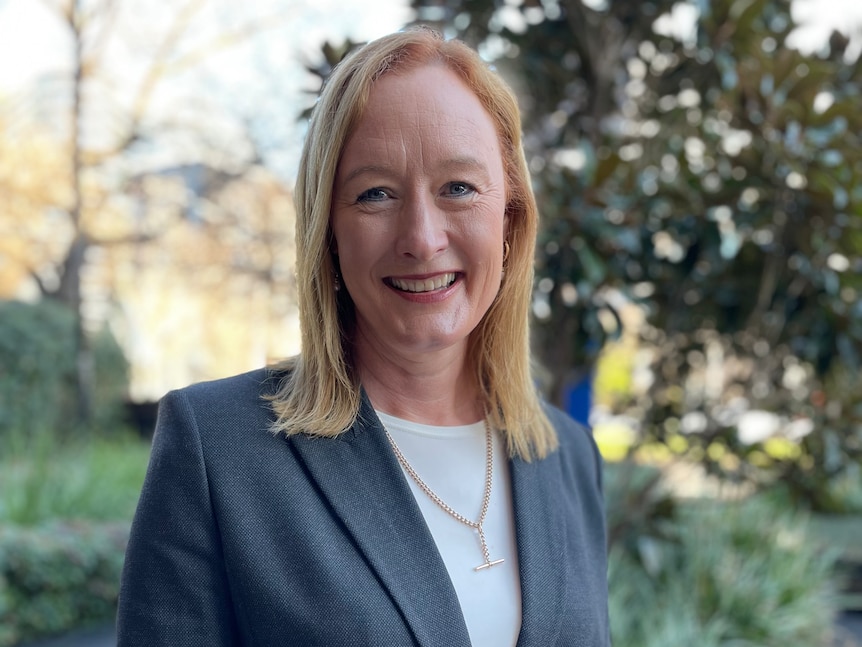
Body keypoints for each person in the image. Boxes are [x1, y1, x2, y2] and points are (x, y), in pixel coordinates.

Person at [117, 27, 609, 647]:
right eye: (375, 194)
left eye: (458, 187)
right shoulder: (217, 450)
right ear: (328, 229)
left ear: (509, 217)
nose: (422, 238)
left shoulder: (568, 457)